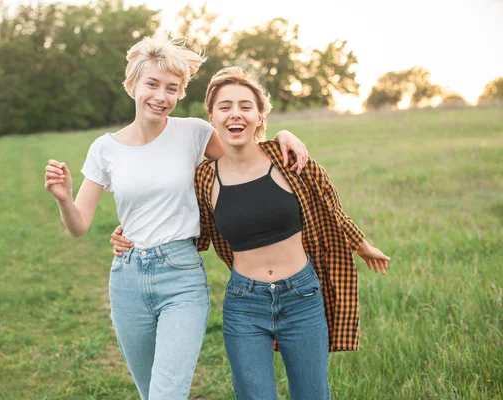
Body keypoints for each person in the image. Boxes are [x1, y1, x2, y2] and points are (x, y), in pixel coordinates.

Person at [43, 35, 309, 400]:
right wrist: (63, 199)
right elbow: (79, 226)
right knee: (149, 391)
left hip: (181, 275)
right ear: (132, 84)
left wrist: (282, 133)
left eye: (172, 88)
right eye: (152, 84)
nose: (161, 96)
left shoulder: (194, 133)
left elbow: (246, 152)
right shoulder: (104, 149)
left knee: (166, 394)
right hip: (127, 278)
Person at [112, 66, 391, 399]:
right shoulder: (205, 178)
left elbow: (330, 208)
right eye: (225, 107)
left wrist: (362, 244)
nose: (236, 114)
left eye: (245, 106)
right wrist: (131, 235)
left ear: (260, 116)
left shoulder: (290, 161)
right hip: (244, 305)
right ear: (211, 118)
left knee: (313, 394)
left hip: (302, 297)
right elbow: (177, 220)